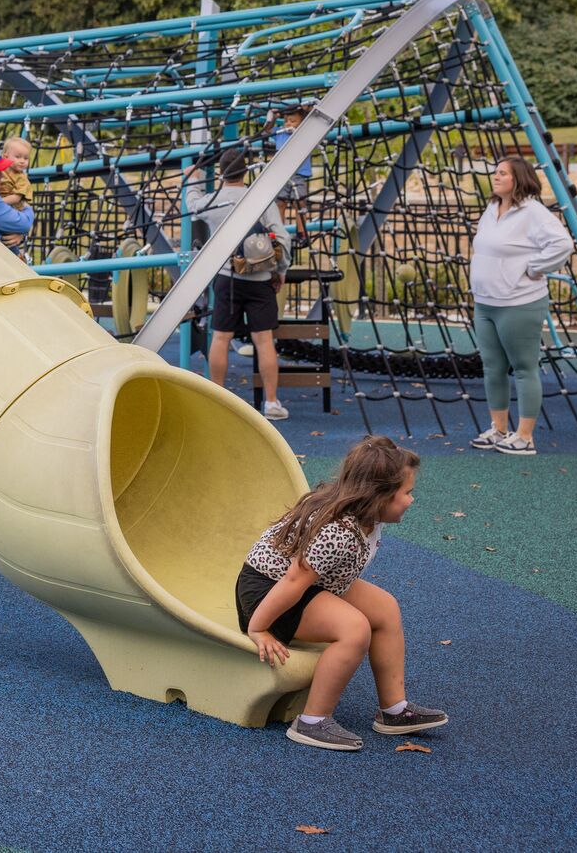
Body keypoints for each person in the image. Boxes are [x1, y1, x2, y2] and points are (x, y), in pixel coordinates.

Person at [237, 435, 447, 751]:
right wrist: (258, 628)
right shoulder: (337, 531)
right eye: (406, 493)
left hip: (314, 583)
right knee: (354, 628)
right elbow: (293, 581)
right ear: (379, 496)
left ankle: (393, 710)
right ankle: (313, 721)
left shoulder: (366, 514)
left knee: (385, 608)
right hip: (268, 594)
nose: (411, 500)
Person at [467, 155, 575, 457]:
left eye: (503, 173)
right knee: (493, 368)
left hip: (518, 302)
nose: (496, 176)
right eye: (496, 172)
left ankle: (525, 436)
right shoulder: (491, 209)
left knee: (524, 368)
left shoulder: (533, 212)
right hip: (485, 302)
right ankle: (499, 429)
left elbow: (563, 244)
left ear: (518, 178)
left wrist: (534, 267)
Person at [189, 148, 291, 421]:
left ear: (221, 173)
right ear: (245, 171)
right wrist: (281, 270)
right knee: (264, 340)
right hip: (260, 279)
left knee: (221, 337)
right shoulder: (259, 198)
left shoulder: (215, 201)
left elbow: (193, 206)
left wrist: (194, 180)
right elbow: (283, 237)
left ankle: (219, 400)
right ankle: (271, 403)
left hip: (228, 278)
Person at [0, 136, 35, 210]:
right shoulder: (0, 169)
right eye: (18, 157)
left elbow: (16, 198)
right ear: (6, 157)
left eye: (26, 158)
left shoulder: (22, 178)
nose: (22, 161)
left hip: (12, 208)